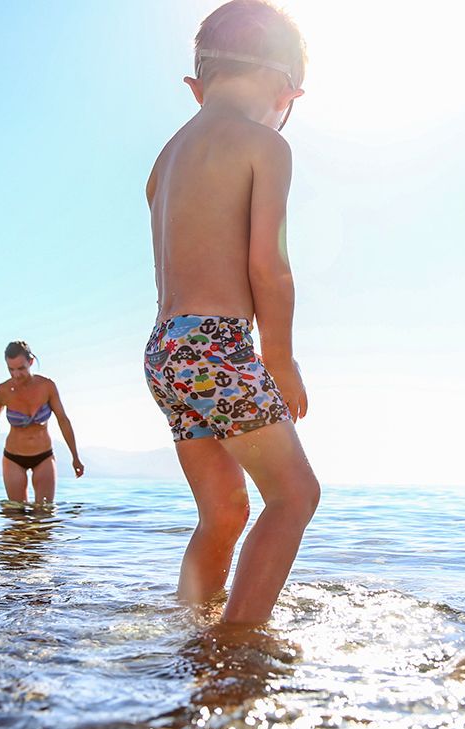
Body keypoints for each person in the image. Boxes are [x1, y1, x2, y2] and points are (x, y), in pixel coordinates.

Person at [142, 0, 320, 625]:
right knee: (295, 495)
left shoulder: (165, 161)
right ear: (286, 89)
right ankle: (238, 646)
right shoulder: (265, 147)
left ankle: (189, 627)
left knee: (223, 512)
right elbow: (268, 267)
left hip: (166, 348)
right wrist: (279, 360)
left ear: (196, 86)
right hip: (217, 345)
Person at [0, 341, 84, 503]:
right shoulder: (3, 391)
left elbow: (63, 420)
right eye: (11, 369)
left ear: (31, 362)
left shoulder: (47, 386)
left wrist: (75, 456)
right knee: (16, 515)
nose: (16, 374)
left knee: (44, 512)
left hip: (43, 456)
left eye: (21, 368)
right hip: (13, 457)